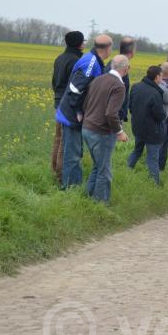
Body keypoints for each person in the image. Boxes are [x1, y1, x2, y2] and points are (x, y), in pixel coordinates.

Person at [56, 34, 114, 189]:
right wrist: (78, 111)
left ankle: (72, 186)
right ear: (108, 48)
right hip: (71, 113)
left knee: (75, 152)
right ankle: (70, 189)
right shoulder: (91, 62)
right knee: (73, 154)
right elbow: (76, 88)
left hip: (72, 111)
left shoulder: (93, 59)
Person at [80, 55, 129, 204]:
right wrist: (119, 132)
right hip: (101, 132)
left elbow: (85, 103)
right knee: (104, 171)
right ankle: (101, 205)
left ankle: (87, 199)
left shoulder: (98, 79)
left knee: (98, 166)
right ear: (126, 69)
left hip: (87, 128)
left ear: (112, 66)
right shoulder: (119, 86)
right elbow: (111, 113)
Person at [50, 30, 84, 185]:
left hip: (58, 101)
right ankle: (62, 176)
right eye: (83, 41)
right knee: (65, 139)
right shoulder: (76, 61)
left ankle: (54, 169)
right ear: (79, 44)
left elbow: (54, 81)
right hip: (68, 104)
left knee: (58, 137)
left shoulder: (60, 58)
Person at [128, 65, 167, 185]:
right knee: (152, 158)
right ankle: (154, 184)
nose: (162, 78)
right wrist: (164, 114)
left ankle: (127, 171)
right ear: (156, 77)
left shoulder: (135, 87)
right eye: (161, 76)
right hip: (152, 131)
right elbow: (160, 115)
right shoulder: (155, 92)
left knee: (137, 151)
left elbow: (130, 107)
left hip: (137, 127)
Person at [115, 37, 136, 124]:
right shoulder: (121, 66)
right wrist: (119, 114)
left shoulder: (116, 62)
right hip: (114, 116)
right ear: (132, 51)